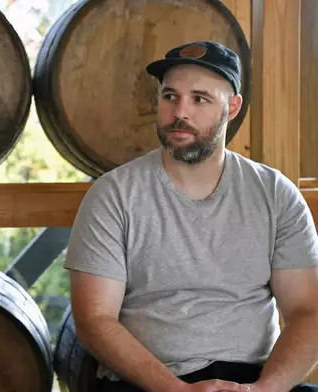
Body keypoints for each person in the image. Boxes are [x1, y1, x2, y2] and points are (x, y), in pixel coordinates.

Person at [65, 40, 318, 392]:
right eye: (170, 96)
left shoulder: (276, 194)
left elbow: (308, 312)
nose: (179, 112)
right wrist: (177, 391)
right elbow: (94, 320)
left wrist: (266, 390)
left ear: (231, 108)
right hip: (148, 383)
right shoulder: (113, 195)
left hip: (252, 381)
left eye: (199, 99)